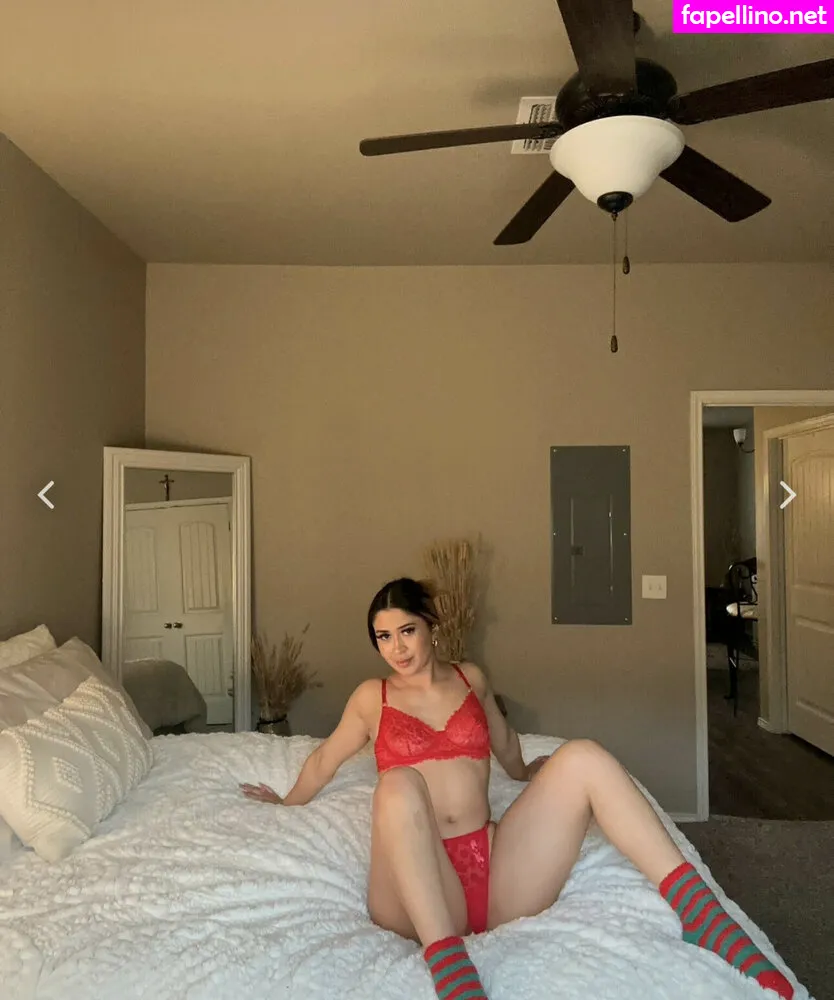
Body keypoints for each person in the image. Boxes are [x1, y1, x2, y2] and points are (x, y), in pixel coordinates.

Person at [241, 578, 792, 1000]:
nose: (397, 649)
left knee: (584, 755)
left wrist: (532, 774)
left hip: (495, 872)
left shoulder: (470, 678)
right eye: (383, 637)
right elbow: (326, 758)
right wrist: (287, 800)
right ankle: (450, 969)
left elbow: (504, 744)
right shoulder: (372, 697)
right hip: (418, 891)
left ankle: (703, 917)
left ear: (431, 625)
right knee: (398, 784)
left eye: (406, 631)